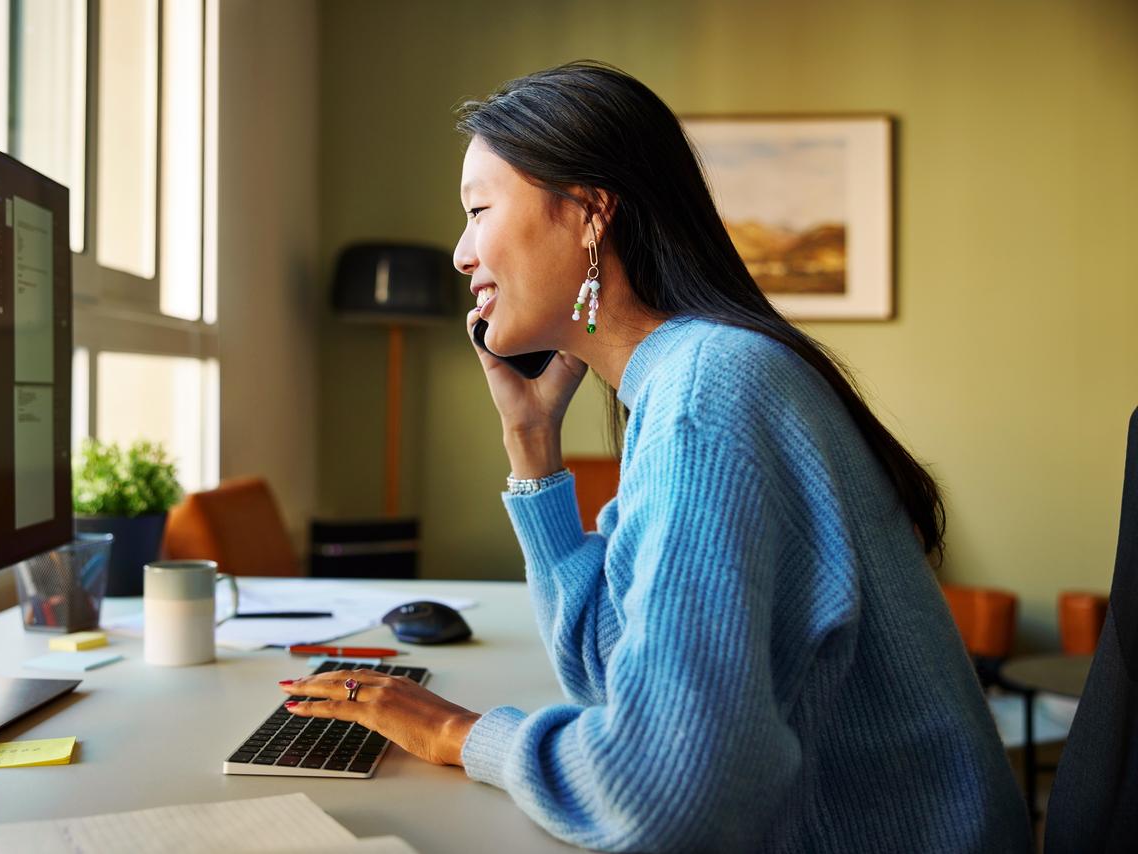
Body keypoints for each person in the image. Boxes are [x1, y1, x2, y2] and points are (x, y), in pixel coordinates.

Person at [280, 61, 1031, 852]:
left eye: (477, 210)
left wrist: (462, 736)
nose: (463, 253)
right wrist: (532, 445)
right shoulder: (692, 378)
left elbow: (663, 795)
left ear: (591, 213)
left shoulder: (710, 394)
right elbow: (613, 673)